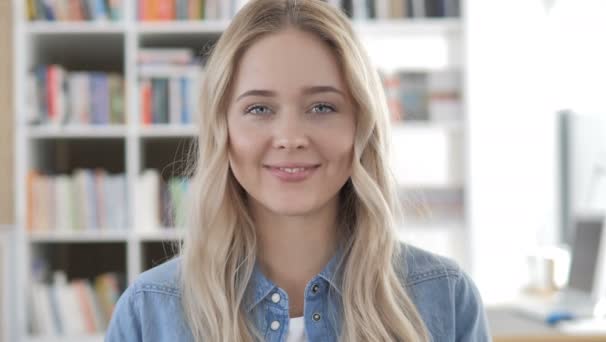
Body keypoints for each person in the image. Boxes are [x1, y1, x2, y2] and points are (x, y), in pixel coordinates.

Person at [106, 0, 490, 341]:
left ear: (362, 124)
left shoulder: (445, 297)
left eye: (322, 107)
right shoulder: (149, 312)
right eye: (259, 109)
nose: (290, 138)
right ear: (222, 129)